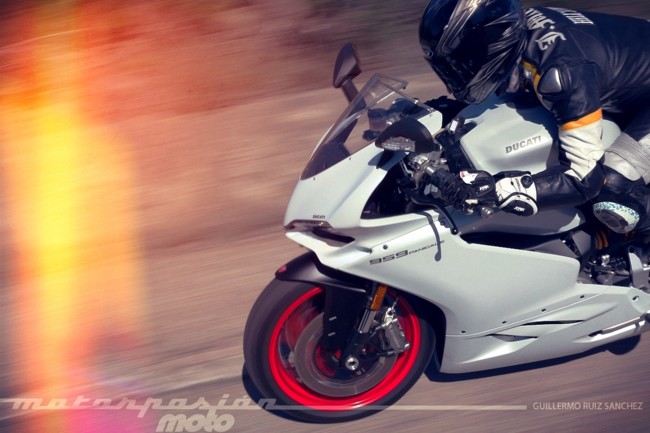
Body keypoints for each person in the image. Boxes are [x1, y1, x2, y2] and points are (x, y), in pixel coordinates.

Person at [418, 0, 650, 233]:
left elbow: (585, 178)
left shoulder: (563, 73)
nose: (456, 75)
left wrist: (498, 191)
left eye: (461, 63)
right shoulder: (519, 33)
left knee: (614, 184)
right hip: (629, 78)